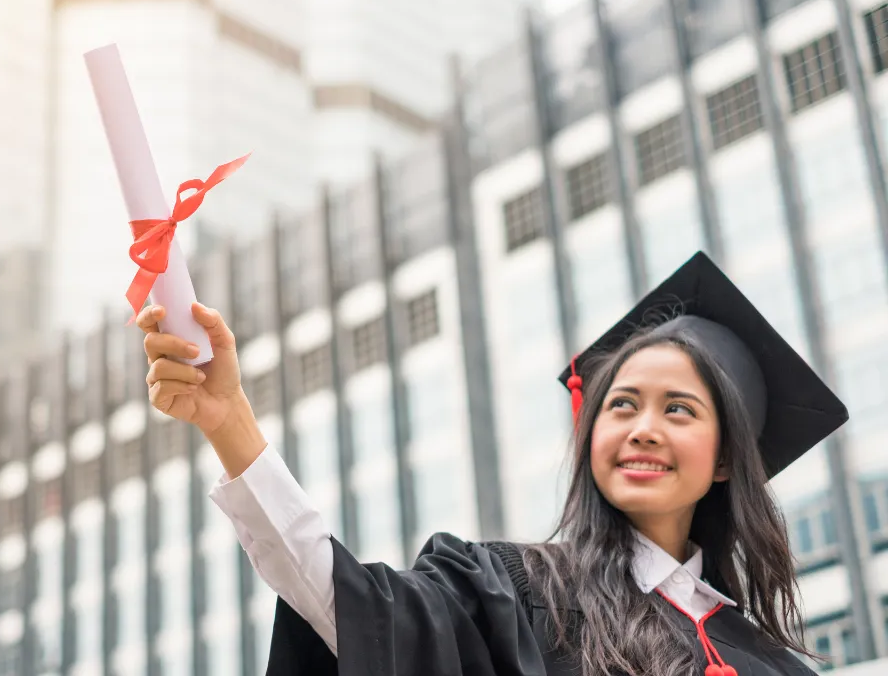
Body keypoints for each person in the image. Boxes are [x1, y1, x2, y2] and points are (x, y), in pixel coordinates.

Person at [137, 251, 846, 676]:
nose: (643, 429)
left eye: (680, 410)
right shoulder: (516, 596)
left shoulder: (773, 664)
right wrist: (231, 422)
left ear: (726, 461)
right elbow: (350, 608)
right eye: (622, 405)